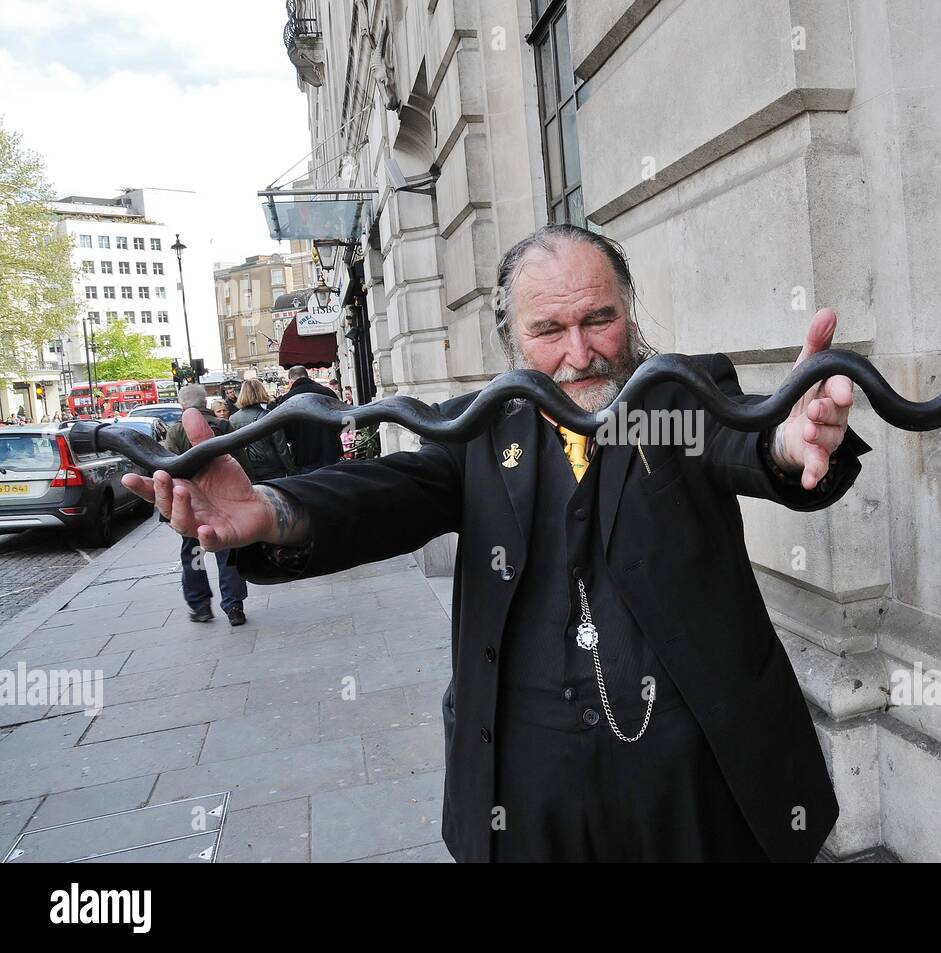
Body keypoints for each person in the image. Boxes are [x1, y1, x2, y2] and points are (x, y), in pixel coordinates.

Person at [124, 224, 868, 863]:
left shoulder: (674, 399)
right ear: (511, 338)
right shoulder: (477, 429)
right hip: (529, 795)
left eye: (599, 320)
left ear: (629, 315)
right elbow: (387, 494)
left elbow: (746, 439)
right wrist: (272, 510)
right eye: (549, 330)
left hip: (695, 786)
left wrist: (786, 437)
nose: (580, 353)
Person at [164, 384, 251, 626]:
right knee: (228, 553)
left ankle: (200, 605)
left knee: (194, 554)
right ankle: (234, 605)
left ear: (183, 406)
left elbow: (169, 467)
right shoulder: (223, 426)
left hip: (191, 504)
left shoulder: (176, 432)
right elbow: (241, 461)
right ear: (205, 403)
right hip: (224, 501)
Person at [272, 366, 344, 473]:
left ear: (291, 380)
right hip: (331, 451)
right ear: (306, 376)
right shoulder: (327, 392)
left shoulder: (287, 399)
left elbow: (285, 432)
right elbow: (342, 419)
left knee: (310, 488)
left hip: (304, 456)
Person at [230, 379, 297, 481]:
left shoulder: (233, 419)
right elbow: (281, 448)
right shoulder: (269, 416)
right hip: (271, 468)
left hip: (247, 469)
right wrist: (292, 471)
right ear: (261, 392)